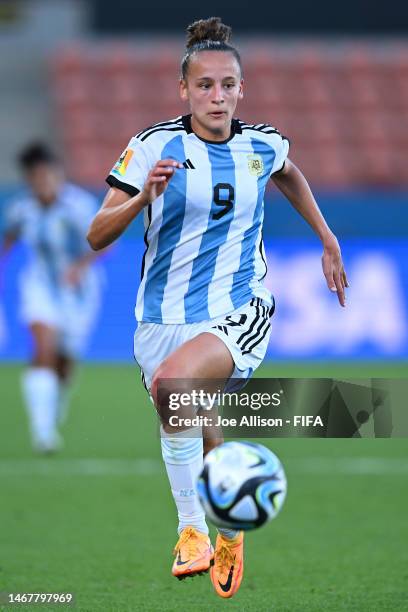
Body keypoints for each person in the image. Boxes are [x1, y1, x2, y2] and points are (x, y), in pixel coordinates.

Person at [87, 17, 348, 599]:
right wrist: (141, 200)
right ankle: (231, 528)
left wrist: (326, 237)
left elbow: (289, 173)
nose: (217, 96)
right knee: (200, 424)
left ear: (241, 88)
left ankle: (192, 532)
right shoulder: (154, 146)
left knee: (175, 386)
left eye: (228, 84)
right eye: (204, 85)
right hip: (160, 317)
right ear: (184, 89)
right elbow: (97, 234)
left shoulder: (262, 144)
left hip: (240, 307)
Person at [1, 142, 102, 453]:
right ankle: (43, 432)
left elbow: (105, 241)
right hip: (40, 286)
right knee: (42, 348)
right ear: (29, 180)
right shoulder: (21, 208)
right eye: (37, 178)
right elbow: (10, 237)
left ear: (58, 175)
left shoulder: (80, 206)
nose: (43, 183)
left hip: (80, 292)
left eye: (48, 176)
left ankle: (56, 401)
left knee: (65, 362)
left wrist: (79, 266)